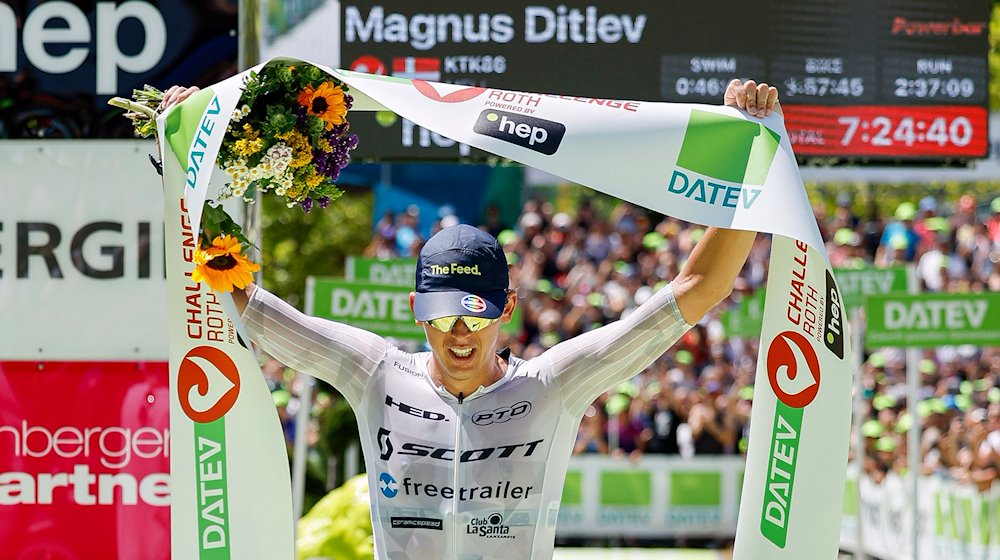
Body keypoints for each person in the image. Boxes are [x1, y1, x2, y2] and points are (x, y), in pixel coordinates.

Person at [160, 78, 779, 559]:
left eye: (475, 315)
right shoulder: (375, 372)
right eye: (442, 315)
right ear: (416, 311)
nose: (458, 333)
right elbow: (244, 301)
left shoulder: (553, 384)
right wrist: (189, 172)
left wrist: (748, 167)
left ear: (507, 308)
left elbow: (697, 290)